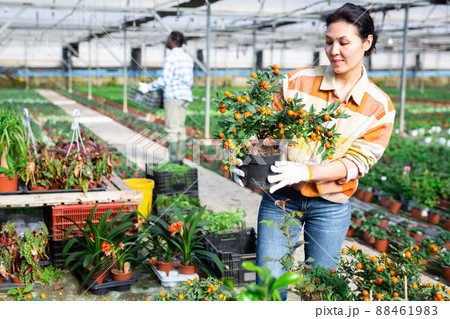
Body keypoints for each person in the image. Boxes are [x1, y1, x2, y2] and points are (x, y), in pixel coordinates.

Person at [232, 3, 395, 299]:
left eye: (344, 43)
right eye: (329, 42)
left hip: (330, 206)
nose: (334, 50)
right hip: (281, 197)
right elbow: (267, 133)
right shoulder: (298, 82)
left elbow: (357, 162)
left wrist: (308, 171)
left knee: (320, 291)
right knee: (268, 285)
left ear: (366, 42)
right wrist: (245, 158)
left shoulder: (379, 107)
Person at [138, 31, 194, 162]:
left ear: (173, 40)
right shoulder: (187, 58)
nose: (166, 41)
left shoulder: (171, 57)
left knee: (171, 130)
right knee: (180, 128)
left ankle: (174, 160)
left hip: (173, 96)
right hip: (185, 96)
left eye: (168, 38)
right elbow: (190, 81)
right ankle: (180, 159)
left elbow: (164, 80)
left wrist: (148, 87)